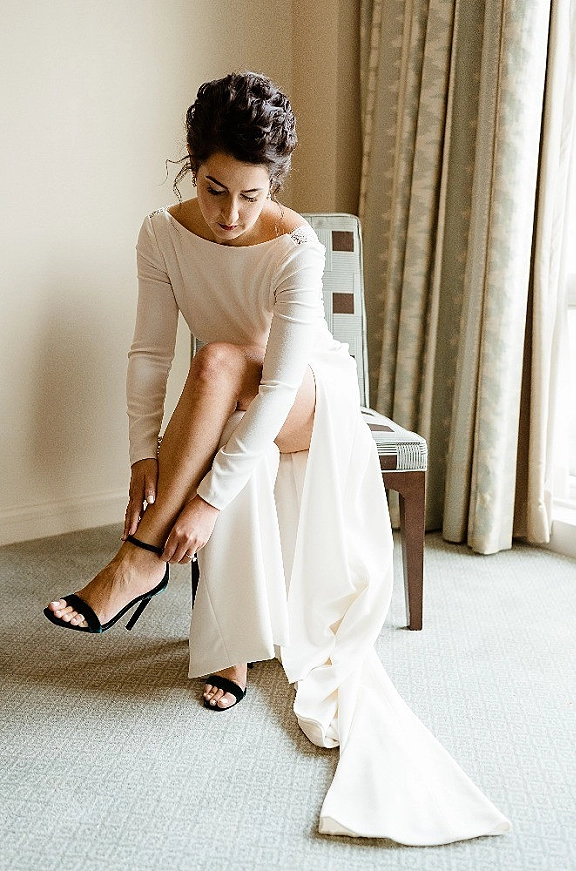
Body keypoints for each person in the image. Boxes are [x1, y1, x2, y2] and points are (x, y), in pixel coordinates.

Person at [44, 72, 511, 845]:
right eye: (214, 189)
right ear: (193, 166)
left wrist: (206, 501)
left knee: (225, 364)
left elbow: (285, 381)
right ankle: (226, 643)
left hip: (310, 400)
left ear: (275, 186)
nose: (230, 215)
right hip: (228, 389)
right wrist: (138, 456)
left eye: (251, 196)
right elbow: (149, 352)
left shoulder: (297, 247)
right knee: (219, 369)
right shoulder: (161, 235)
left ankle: (139, 557)